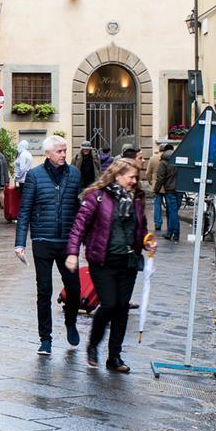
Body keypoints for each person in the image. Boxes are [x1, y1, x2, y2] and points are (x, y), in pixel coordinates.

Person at [65, 159, 151, 373]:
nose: (134, 180)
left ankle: (114, 357)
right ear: (117, 175)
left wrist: (148, 240)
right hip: (102, 260)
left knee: (122, 309)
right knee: (110, 304)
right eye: (131, 176)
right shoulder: (97, 196)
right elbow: (79, 227)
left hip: (128, 262)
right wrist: (72, 253)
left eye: (136, 177)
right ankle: (93, 345)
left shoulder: (137, 199)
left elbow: (141, 228)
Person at [15, 135, 84, 355]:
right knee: (44, 291)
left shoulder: (74, 174)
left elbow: (82, 209)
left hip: (67, 243)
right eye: (59, 151)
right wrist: (20, 243)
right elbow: (24, 210)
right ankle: (45, 339)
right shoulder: (34, 176)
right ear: (47, 154)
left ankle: (70, 322)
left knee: (74, 288)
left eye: (65, 150)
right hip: (42, 241)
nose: (64, 154)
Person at [153, 143, 179, 241]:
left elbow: (160, 178)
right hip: (180, 189)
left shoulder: (163, 161)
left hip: (170, 189)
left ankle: (174, 233)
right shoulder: (179, 158)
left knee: (172, 212)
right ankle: (171, 232)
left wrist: (156, 190)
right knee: (174, 211)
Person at [145, 146, 164, 231]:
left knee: (157, 204)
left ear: (159, 150)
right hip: (167, 185)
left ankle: (157, 223)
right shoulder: (170, 158)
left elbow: (148, 173)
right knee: (169, 206)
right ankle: (170, 224)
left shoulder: (153, 159)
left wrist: (151, 182)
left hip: (156, 185)